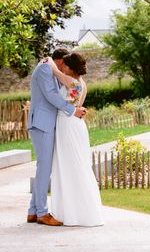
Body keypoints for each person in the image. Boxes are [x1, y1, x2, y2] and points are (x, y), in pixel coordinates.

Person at [27, 48, 87, 226]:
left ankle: (33, 210)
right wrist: (73, 110)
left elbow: (72, 88)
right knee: (44, 167)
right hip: (42, 122)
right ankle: (42, 213)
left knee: (44, 168)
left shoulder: (53, 70)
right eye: (64, 63)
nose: (64, 68)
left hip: (48, 123)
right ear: (59, 61)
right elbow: (51, 95)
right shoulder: (45, 69)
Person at [47, 52, 104, 226]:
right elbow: (76, 105)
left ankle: (76, 212)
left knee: (72, 166)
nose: (62, 66)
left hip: (69, 126)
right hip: (74, 125)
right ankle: (74, 211)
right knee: (74, 166)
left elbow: (54, 71)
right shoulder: (82, 84)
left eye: (65, 65)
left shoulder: (71, 82)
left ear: (70, 68)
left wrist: (50, 61)